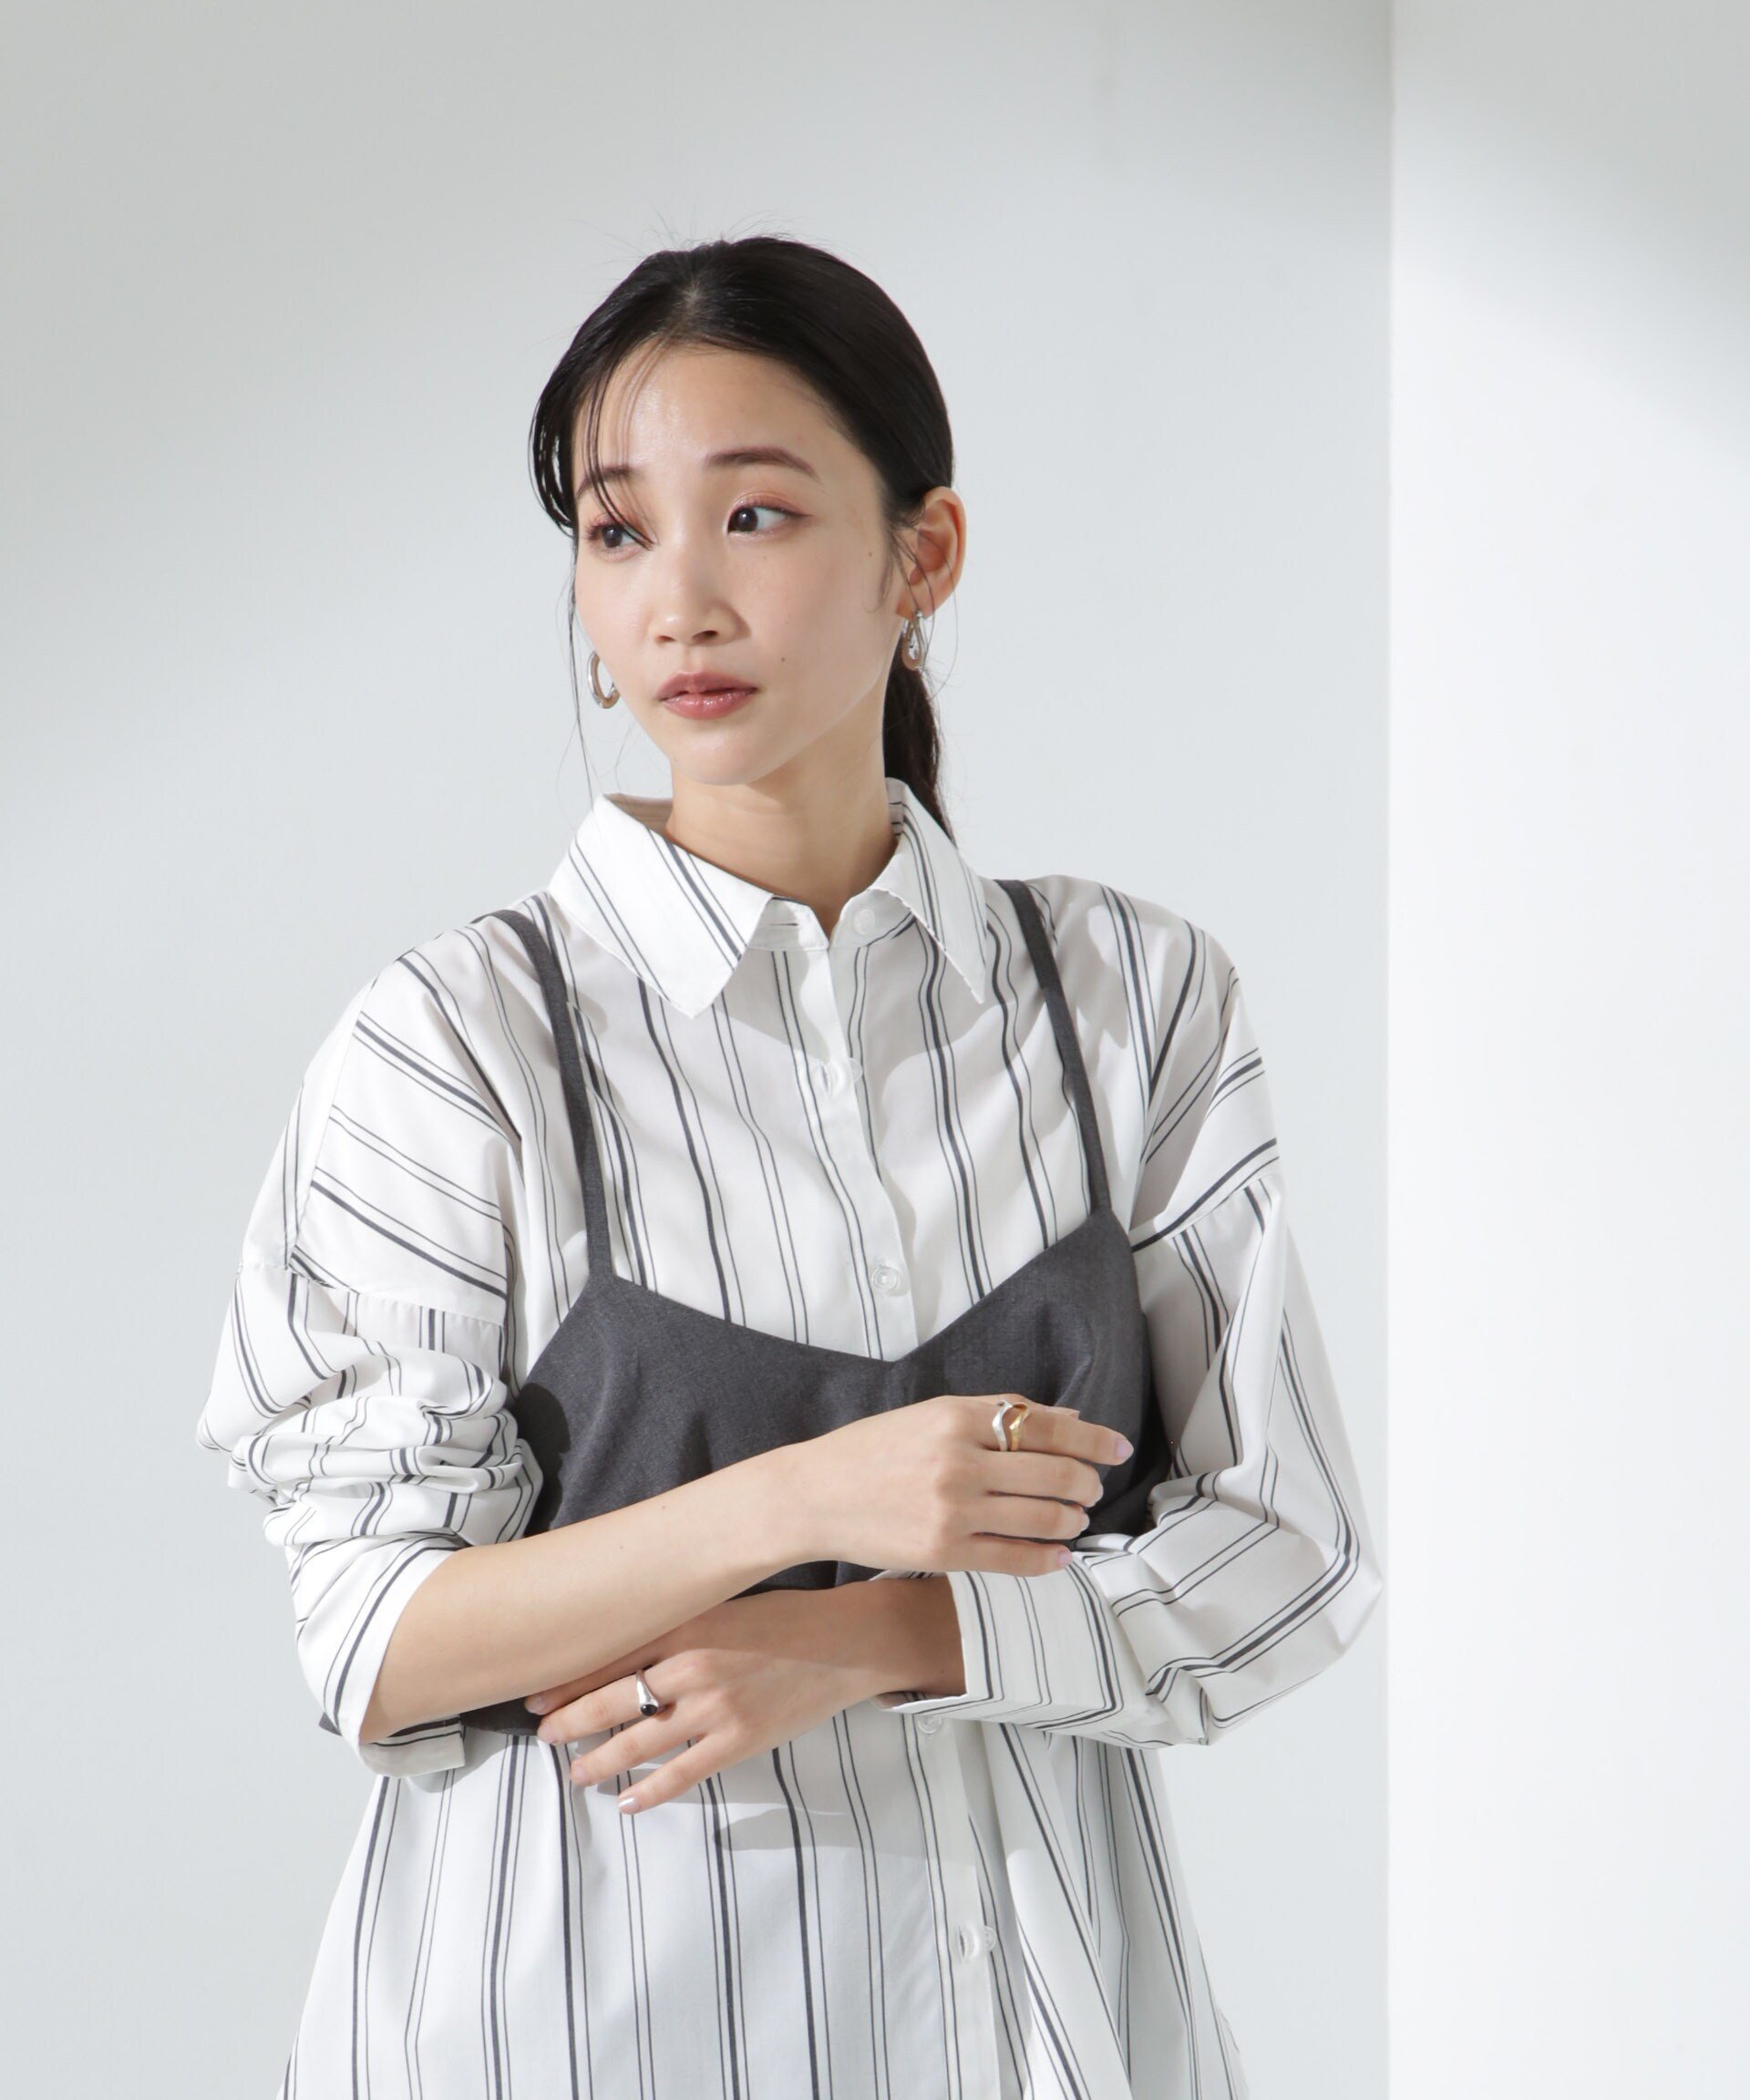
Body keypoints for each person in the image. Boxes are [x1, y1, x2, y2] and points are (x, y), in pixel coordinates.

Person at [196, 232, 1382, 2100]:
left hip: (1047, 2033)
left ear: (925, 555)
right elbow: (377, 1639)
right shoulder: (454, 1046)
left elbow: (1288, 1555)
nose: (678, 601)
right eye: (616, 531)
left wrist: (886, 1631)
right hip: (578, 2033)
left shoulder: (1131, 1002)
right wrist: (807, 1498)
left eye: (753, 515)